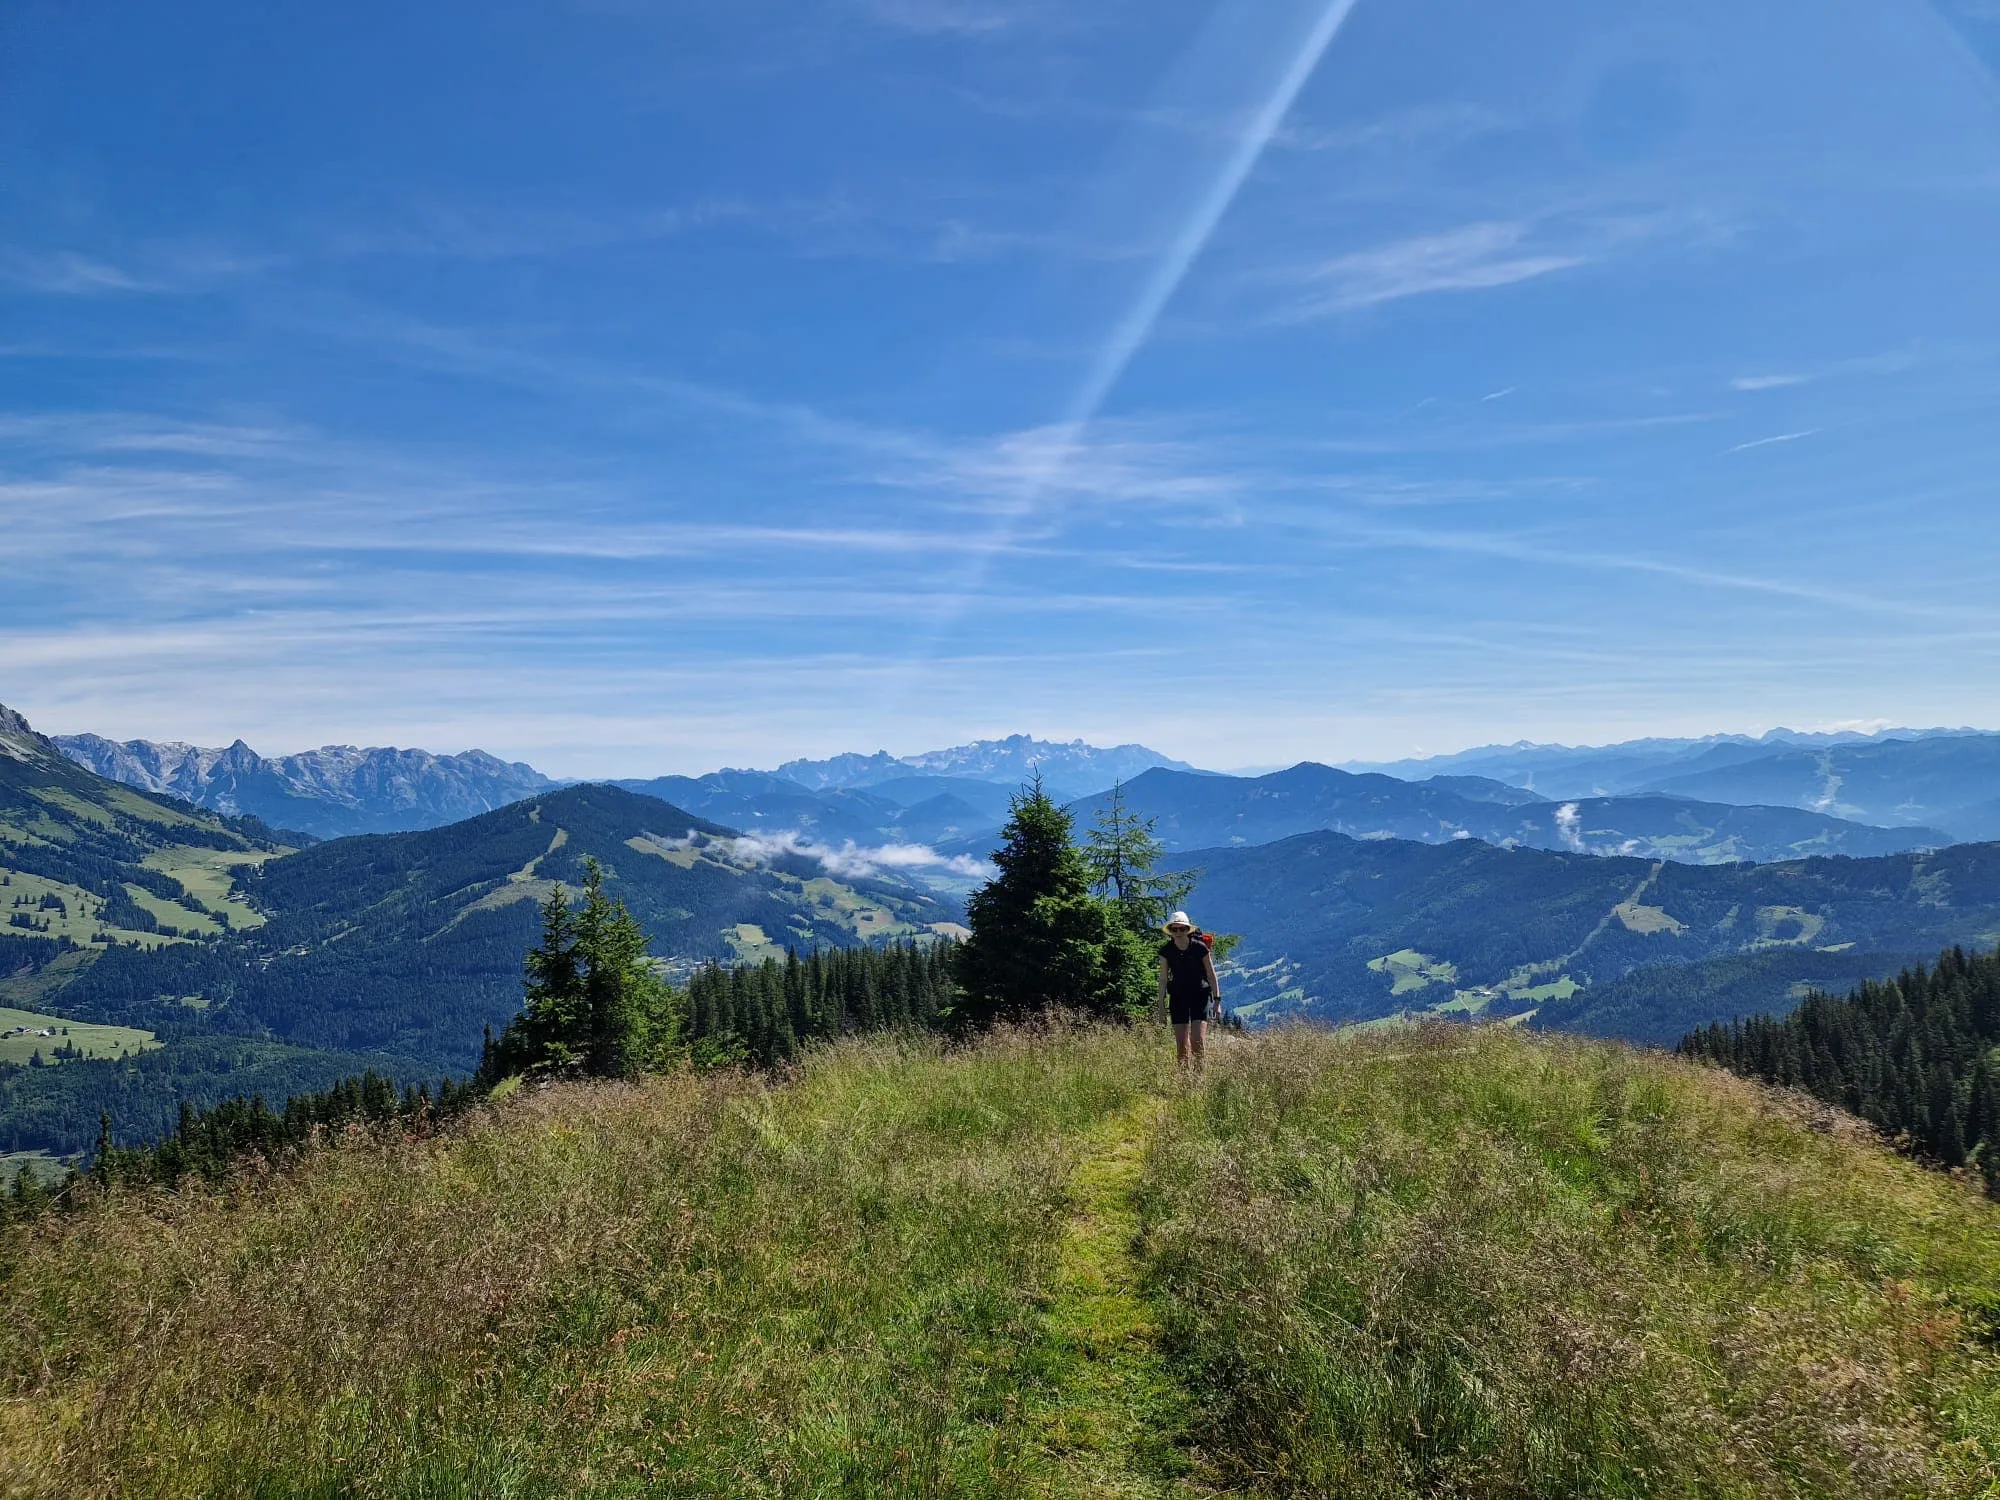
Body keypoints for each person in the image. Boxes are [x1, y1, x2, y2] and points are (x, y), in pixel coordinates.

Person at [1157, 911, 1220, 1071]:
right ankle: (1185, 1083)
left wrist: (1217, 1001)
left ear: (1187, 929)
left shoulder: (1199, 948)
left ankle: (1200, 1078)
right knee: (1181, 1047)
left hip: (1200, 996)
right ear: (1170, 931)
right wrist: (1161, 1008)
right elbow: (1163, 979)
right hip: (1178, 998)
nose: (1178, 933)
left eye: (1182, 929)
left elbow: (1211, 975)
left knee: (1197, 1042)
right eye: (1174, 929)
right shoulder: (1166, 951)